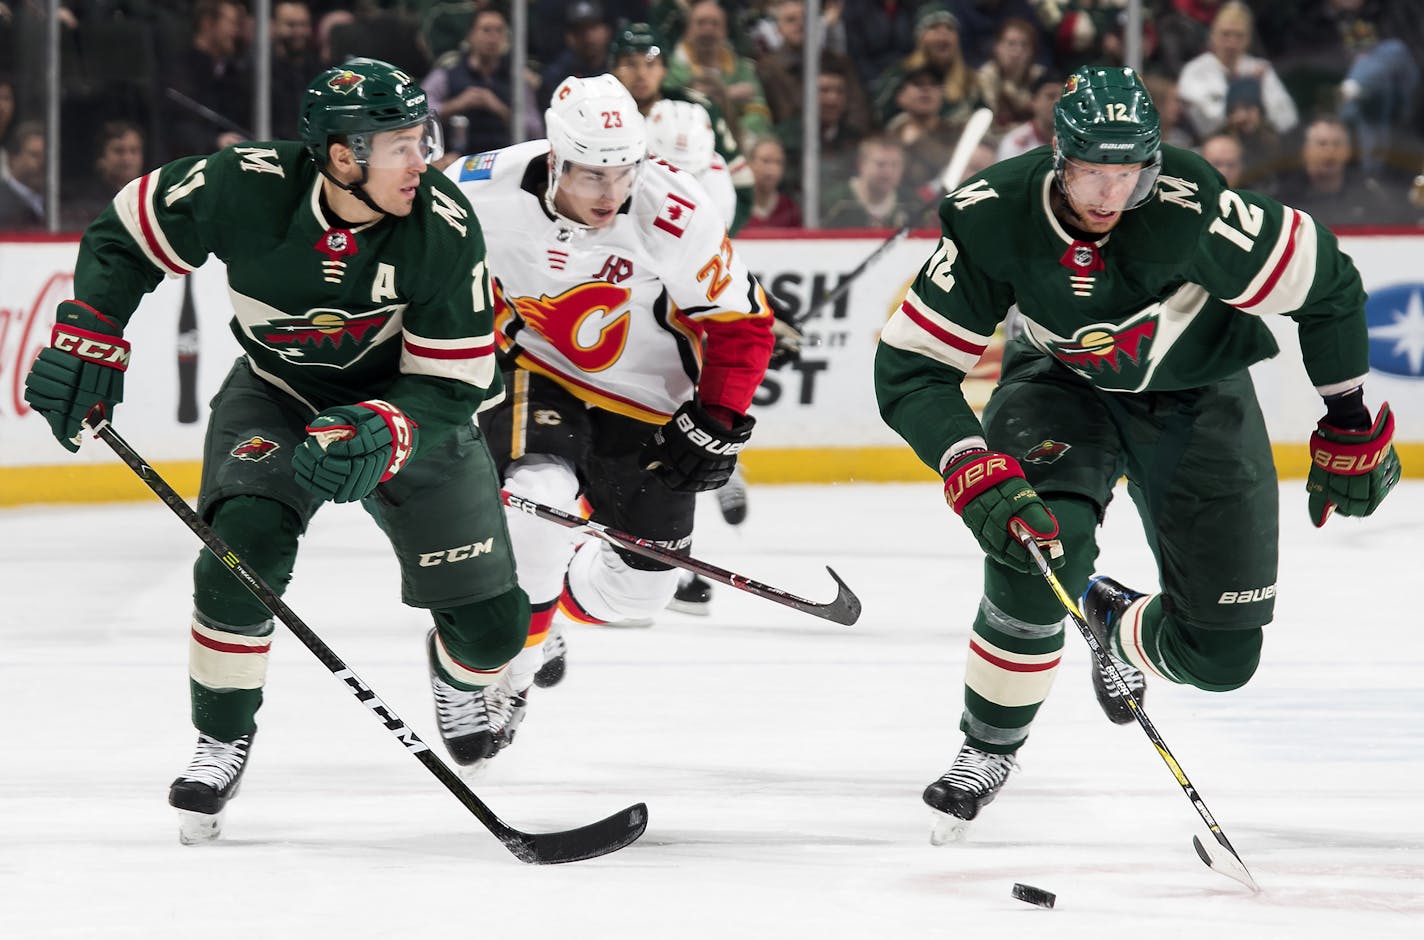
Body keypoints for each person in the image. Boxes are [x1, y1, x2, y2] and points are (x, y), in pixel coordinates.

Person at [873, 65, 1400, 843]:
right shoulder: (995, 216)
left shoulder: (1196, 214)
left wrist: (1348, 417)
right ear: (1061, 157)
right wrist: (965, 457)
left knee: (1222, 657)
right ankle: (986, 747)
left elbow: (1330, 286)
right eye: (1092, 172)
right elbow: (911, 365)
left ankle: (1114, 622)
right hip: (1060, 386)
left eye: (1129, 174)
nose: (1108, 196)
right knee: (1033, 541)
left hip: (1200, 395)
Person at [22, 59, 529, 842]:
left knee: (494, 631)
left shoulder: (443, 226)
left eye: (420, 139)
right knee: (239, 552)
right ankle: (222, 734)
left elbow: (454, 383)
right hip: (277, 393)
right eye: (399, 145)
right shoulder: (243, 184)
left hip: (405, 409)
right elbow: (128, 229)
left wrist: (388, 428)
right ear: (339, 154)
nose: (420, 160)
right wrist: (92, 326)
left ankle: (458, 675)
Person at [445, 74, 774, 736]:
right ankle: (513, 665)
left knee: (635, 598)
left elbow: (744, 327)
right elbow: (422, 266)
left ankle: (542, 601)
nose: (612, 192)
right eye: (593, 174)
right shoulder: (478, 187)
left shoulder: (673, 212)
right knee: (538, 501)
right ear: (556, 157)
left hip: (648, 402)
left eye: (624, 172)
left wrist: (715, 421)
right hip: (541, 368)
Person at [611, 21, 754, 234]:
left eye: (651, 64)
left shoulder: (697, 110)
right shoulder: (600, 112)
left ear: (664, 69)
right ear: (614, 69)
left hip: (689, 234)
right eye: (630, 64)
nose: (641, 74)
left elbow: (741, 184)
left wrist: (719, 239)